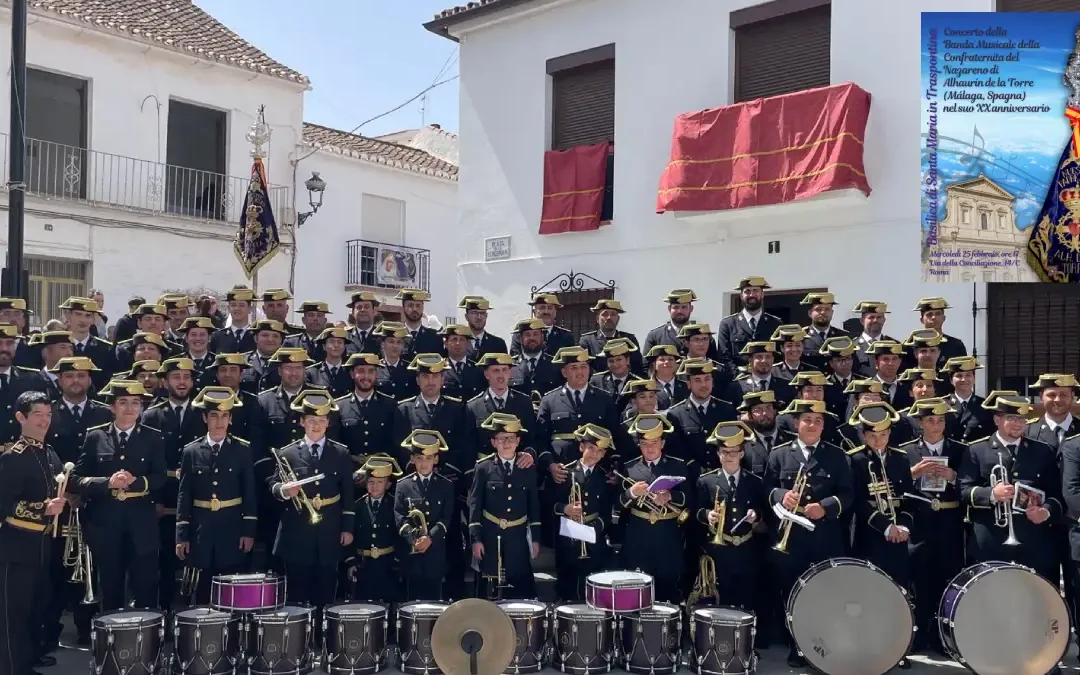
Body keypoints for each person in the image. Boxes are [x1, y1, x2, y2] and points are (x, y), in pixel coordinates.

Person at [763, 398, 853, 668]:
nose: (812, 425)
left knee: (825, 593)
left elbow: (848, 493)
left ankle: (824, 646)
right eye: (807, 420)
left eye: (818, 421)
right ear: (796, 423)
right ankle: (798, 646)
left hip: (824, 536)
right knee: (792, 593)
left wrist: (825, 507)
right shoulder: (779, 454)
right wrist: (782, 495)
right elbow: (766, 489)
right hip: (791, 539)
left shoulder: (837, 455)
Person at [70, 379, 165, 611]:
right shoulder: (95, 437)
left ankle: (147, 638)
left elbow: (161, 477)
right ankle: (110, 638)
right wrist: (106, 483)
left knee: (145, 582)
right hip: (105, 520)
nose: (130, 408)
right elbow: (76, 479)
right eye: (123, 402)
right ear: (112, 407)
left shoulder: (153, 437)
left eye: (136, 402)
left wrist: (137, 483)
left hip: (140, 520)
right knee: (110, 583)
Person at [267, 390, 354, 640]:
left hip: (329, 529)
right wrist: (283, 490)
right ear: (302, 422)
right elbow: (273, 485)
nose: (316, 425)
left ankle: (321, 640)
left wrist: (347, 527)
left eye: (321, 420)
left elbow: (347, 493)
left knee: (326, 588)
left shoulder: (340, 453)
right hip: (297, 530)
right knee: (297, 588)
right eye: (311, 420)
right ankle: (296, 643)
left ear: (329, 422)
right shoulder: (288, 453)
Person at [960, 391, 1061, 583]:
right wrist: (992, 494)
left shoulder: (1042, 450)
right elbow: (963, 491)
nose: (1018, 424)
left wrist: (1045, 512)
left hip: (1033, 540)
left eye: (1022, 419)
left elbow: (1057, 493)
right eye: (1012, 418)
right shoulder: (976, 450)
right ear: (997, 419)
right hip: (991, 540)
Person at [0, 391, 66, 675]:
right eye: (38, 414)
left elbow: (69, 482)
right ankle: (14, 668)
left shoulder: (48, 453)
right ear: (20, 417)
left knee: (34, 608)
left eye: (48, 415)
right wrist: (43, 508)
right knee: (13, 614)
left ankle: (29, 658)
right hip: (16, 547)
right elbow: (4, 505)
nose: (44, 420)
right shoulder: (12, 457)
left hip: (42, 545)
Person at [845, 402, 914, 670]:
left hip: (898, 538)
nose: (878, 441)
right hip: (869, 537)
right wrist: (886, 527)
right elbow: (858, 502)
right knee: (868, 595)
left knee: (898, 594)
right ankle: (865, 645)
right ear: (863, 435)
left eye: (883, 435)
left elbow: (908, 497)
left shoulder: (901, 457)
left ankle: (898, 647)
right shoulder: (855, 459)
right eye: (872, 436)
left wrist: (904, 527)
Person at [175, 387, 257, 604]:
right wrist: (182, 535)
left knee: (230, 587)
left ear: (230, 419)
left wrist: (248, 531)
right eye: (214, 416)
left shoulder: (242, 450)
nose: (219, 421)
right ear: (204, 417)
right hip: (201, 529)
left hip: (231, 528)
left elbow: (249, 492)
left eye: (224, 416)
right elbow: (184, 494)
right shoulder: (191, 451)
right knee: (203, 589)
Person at [902, 397, 966, 655]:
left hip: (949, 524)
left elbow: (972, 483)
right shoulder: (906, 451)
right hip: (919, 522)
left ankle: (941, 635)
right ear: (920, 423)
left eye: (940, 420)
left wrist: (954, 477)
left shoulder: (961, 450)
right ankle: (919, 633)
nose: (936, 425)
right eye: (930, 420)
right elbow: (896, 487)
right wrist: (912, 474)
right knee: (918, 579)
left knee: (946, 577)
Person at [695, 421, 766, 616]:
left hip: (746, 550)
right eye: (724, 452)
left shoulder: (755, 482)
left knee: (746, 598)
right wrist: (708, 515)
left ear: (742, 453)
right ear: (718, 454)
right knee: (720, 600)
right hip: (719, 551)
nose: (728, 457)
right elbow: (697, 510)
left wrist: (756, 516)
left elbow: (762, 509)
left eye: (733, 452)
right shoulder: (706, 481)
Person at [469, 413, 541, 599]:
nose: (506, 443)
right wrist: (476, 539)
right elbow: (475, 505)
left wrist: (535, 538)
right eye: (501, 439)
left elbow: (533, 504)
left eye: (511, 438)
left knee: (519, 585)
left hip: (517, 536)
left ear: (518, 441)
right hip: (491, 535)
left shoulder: (527, 467)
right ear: (493, 442)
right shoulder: (483, 468)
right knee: (489, 587)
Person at [618, 413, 689, 603]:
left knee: (669, 587)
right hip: (639, 535)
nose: (650, 448)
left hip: (667, 535)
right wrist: (631, 493)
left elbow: (689, 498)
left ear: (663, 444)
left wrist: (670, 496)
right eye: (645, 444)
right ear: (639, 445)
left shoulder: (678, 466)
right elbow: (617, 505)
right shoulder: (629, 468)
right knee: (637, 587)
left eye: (655, 443)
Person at [552, 423, 616, 601]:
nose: (595, 454)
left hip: (594, 535)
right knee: (568, 581)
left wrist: (596, 527)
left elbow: (607, 510)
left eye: (600, 451)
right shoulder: (566, 472)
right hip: (570, 536)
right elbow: (549, 502)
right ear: (581, 447)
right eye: (591, 448)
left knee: (594, 579)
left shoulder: (605, 477)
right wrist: (564, 508)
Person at [394, 429, 455, 600]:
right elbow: (399, 516)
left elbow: (446, 518)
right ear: (412, 459)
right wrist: (412, 539)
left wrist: (430, 538)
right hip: (411, 553)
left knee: (434, 599)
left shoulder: (445, 485)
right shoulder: (403, 485)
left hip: (435, 552)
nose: (423, 463)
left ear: (436, 459)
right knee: (411, 600)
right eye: (419, 458)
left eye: (428, 458)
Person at [347, 453, 404, 603]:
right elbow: (350, 534)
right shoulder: (357, 506)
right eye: (371, 482)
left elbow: (399, 535)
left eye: (380, 482)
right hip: (363, 566)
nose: (375, 486)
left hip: (388, 566)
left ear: (388, 485)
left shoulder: (395, 506)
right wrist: (352, 562)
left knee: (389, 607)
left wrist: (398, 561)